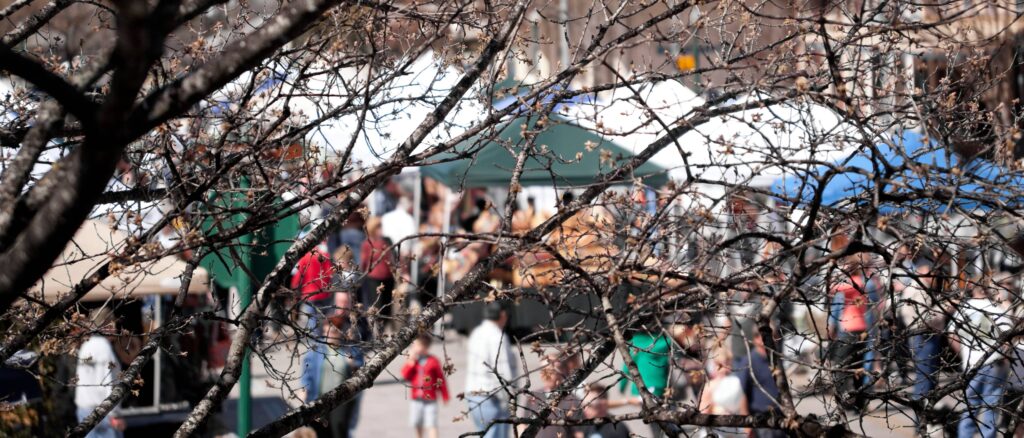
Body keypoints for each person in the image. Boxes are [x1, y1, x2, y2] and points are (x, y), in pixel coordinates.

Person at [949, 284, 1012, 438]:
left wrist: (964, 355)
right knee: (991, 408)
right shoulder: (996, 309)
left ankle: (964, 436)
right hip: (994, 363)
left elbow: (952, 336)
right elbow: (1008, 338)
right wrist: (1003, 356)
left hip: (972, 364)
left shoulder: (964, 309)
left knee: (969, 408)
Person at [301, 292, 366, 438]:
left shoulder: (350, 349)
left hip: (341, 402)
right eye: (326, 331)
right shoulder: (317, 350)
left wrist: (353, 364)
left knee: (339, 433)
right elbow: (307, 370)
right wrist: (304, 389)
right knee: (320, 434)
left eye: (332, 332)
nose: (328, 335)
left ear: (340, 332)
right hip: (318, 399)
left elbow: (362, 367)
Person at [465, 302, 519, 438]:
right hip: (492, 397)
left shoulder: (476, 333)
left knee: (483, 433)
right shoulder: (497, 337)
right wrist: (510, 398)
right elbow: (502, 371)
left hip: (473, 395)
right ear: (502, 315)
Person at [827, 261, 874, 412]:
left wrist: (833, 271)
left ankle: (844, 400)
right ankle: (860, 403)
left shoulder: (851, 284)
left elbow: (831, 289)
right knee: (857, 367)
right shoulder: (867, 283)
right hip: (862, 330)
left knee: (839, 366)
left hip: (849, 330)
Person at [900, 263, 946, 405]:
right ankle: (921, 421)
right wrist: (944, 308)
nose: (935, 279)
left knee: (927, 380)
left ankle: (925, 417)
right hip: (924, 337)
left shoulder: (916, 289)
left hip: (923, 336)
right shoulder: (919, 290)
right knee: (925, 382)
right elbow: (924, 319)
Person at [75, 308, 125, 438]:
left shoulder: (86, 346)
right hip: (102, 413)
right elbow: (109, 383)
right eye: (112, 323)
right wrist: (115, 415)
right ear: (106, 325)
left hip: (84, 409)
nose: (115, 327)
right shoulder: (105, 349)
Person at [619, 327, 671, 438]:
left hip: (642, 387)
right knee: (662, 416)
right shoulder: (663, 340)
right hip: (659, 385)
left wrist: (622, 385)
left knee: (654, 418)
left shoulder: (635, 341)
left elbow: (627, 365)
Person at [733, 332, 786, 438]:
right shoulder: (749, 361)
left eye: (773, 336)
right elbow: (742, 394)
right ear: (756, 338)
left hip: (780, 417)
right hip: (762, 420)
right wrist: (746, 425)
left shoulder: (776, 359)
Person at [517, 354, 581, 438]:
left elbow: (579, 433)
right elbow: (523, 426)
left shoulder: (572, 401)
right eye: (543, 371)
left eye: (551, 371)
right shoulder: (533, 396)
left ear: (562, 372)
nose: (546, 375)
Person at [401, 333, 449, 438]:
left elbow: (441, 379)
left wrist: (445, 395)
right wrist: (411, 362)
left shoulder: (433, 361)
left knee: (431, 423)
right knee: (417, 422)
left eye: (416, 345)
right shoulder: (414, 361)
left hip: (430, 399)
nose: (413, 348)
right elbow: (405, 375)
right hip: (416, 399)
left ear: (425, 346)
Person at [700, 348, 748, 438]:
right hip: (717, 431)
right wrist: (717, 414)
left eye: (727, 364)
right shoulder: (710, 386)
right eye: (720, 365)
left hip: (736, 429)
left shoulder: (737, 382)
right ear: (714, 364)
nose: (724, 368)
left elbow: (743, 407)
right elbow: (702, 414)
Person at [292, 240, 336, 334]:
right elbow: (330, 274)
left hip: (309, 294)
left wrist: (294, 288)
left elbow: (298, 276)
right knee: (323, 320)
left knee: (312, 322)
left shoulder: (305, 256)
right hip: (324, 293)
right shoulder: (325, 255)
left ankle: (315, 346)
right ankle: (321, 344)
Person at [360, 217, 396, 319]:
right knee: (377, 305)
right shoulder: (367, 244)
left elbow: (393, 256)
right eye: (378, 227)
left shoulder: (387, 240)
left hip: (388, 278)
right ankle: (377, 328)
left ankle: (385, 325)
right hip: (374, 279)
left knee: (387, 306)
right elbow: (364, 262)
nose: (380, 229)